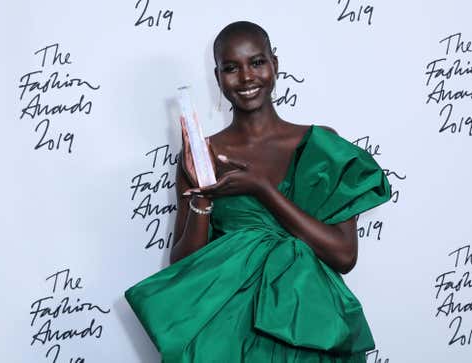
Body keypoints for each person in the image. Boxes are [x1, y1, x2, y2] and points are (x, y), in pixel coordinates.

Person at [125, 21, 392, 362]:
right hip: (227, 336)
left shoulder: (321, 147)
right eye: (231, 68)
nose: (246, 77)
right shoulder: (201, 155)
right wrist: (203, 196)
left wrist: (264, 190)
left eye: (256, 62)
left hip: (308, 329)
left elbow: (344, 255)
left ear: (274, 65)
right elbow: (183, 264)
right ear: (218, 77)